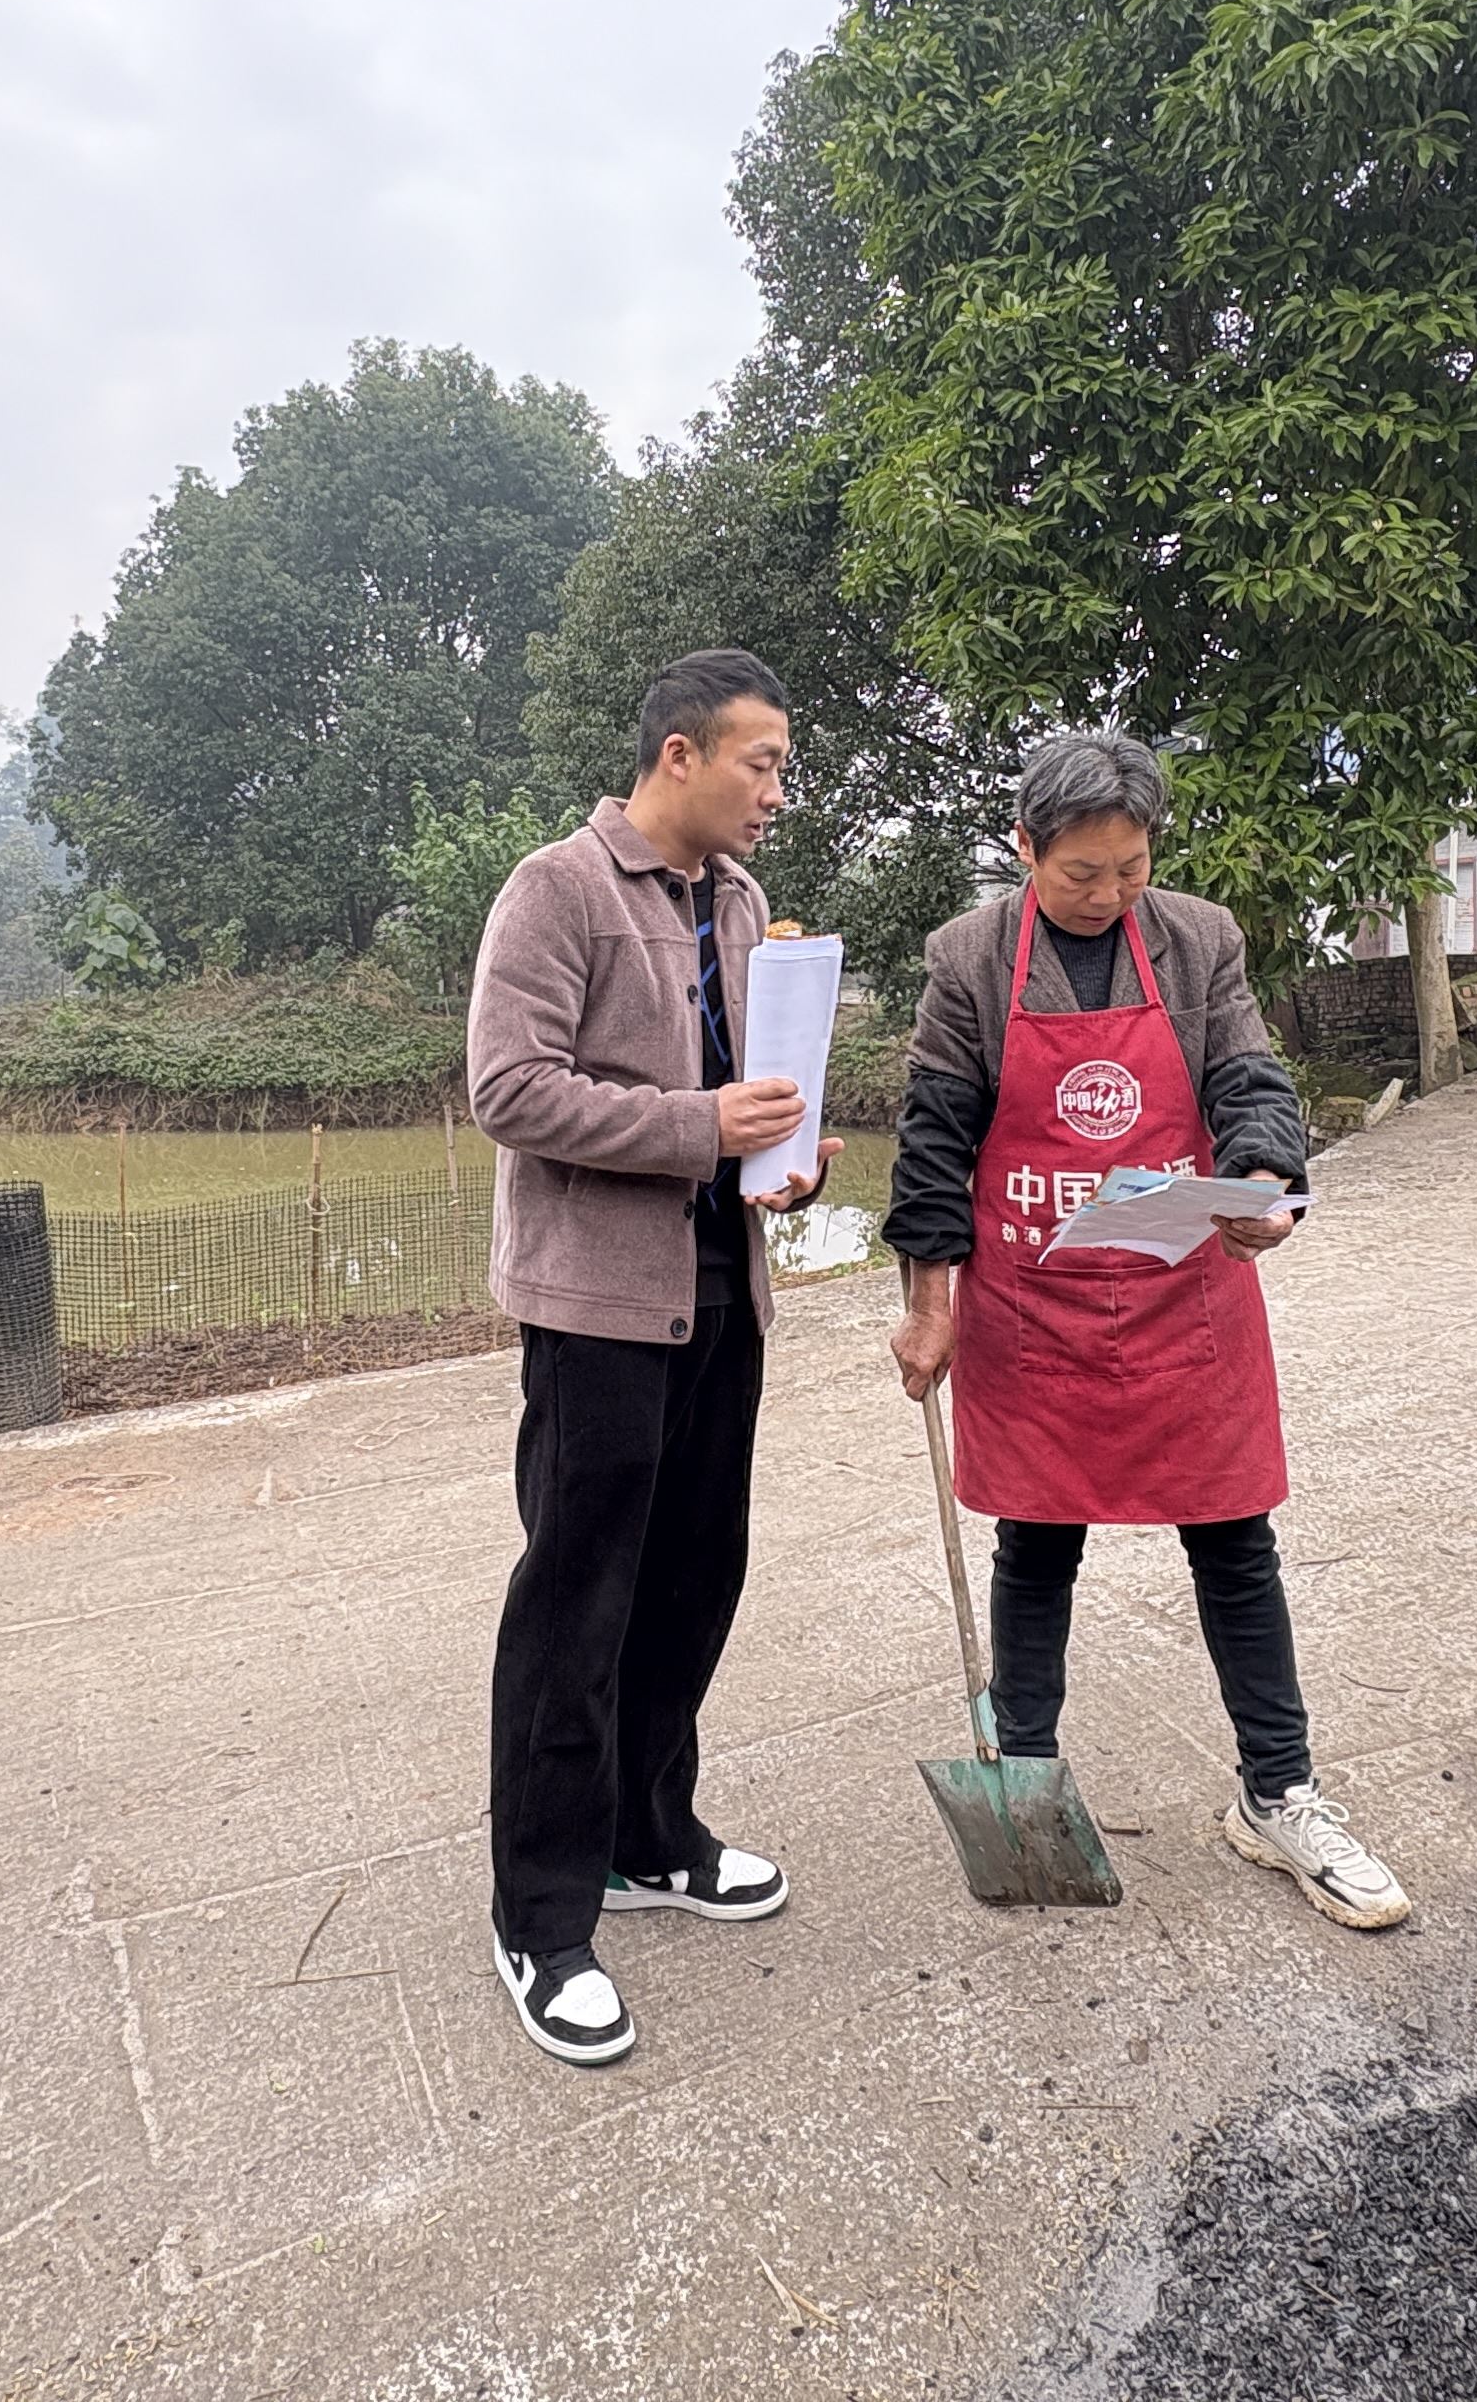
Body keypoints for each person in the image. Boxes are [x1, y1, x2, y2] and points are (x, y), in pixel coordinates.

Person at [883, 730, 1412, 1933]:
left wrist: (1266, 1176)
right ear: (1026, 847)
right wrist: (928, 1303)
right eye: (1083, 873)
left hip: (1184, 1293)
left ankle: (1279, 1796)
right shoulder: (969, 958)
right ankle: (1027, 1784)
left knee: (1235, 1543)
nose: (1111, 892)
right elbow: (935, 1136)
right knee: (1037, 1547)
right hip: (1035, 1299)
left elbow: (1247, 1077)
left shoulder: (1197, 938)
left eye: (1132, 867)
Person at [465, 648, 836, 2065]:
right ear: (679, 754)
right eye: (763, 762)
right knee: (577, 1604)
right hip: (595, 1311)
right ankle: (542, 1916)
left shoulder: (736, 901)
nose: (777, 791)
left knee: (694, 1577)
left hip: (721, 1291)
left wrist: (782, 1160)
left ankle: (651, 1836)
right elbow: (510, 1089)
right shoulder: (555, 889)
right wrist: (701, 1129)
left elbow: (745, 1095)